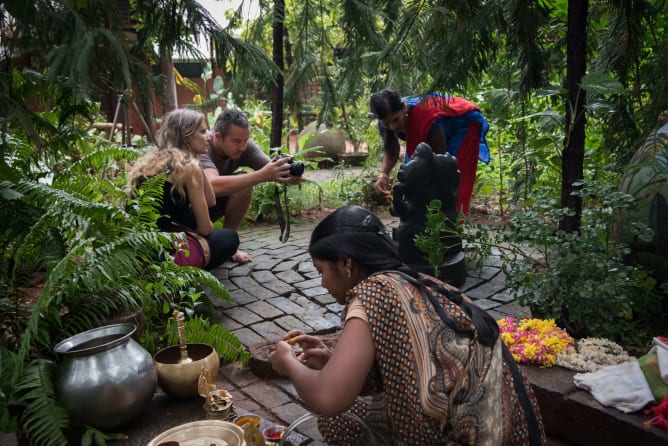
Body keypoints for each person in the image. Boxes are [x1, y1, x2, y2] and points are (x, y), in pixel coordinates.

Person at [268, 205, 545, 445]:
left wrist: (289, 363)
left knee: (337, 418)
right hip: (517, 433)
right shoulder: (410, 283)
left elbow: (329, 398)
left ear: (346, 263)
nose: (322, 283)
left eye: (321, 271)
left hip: (478, 436)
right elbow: (402, 365)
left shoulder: (374, 292)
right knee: (343, 422)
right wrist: (331, 361)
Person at [127, 108, 240, 270]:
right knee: (229, 238)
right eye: (202, 132)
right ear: (187, 136)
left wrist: (196, 157)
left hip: (138, 246)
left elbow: (210, 200)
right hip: (163, 255)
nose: (207, 136)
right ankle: (183, 272)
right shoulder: (188, 167)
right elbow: (205, 228)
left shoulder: (153, 161)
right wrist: (194, 163)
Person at [200, 109, 301, 263]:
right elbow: (212, 186)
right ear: (218, 137)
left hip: (209, 206)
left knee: (244, 183)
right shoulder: (202, 146)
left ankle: (228, 242)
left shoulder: (244, 146)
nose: (242, 147)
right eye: (236, 141)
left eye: (246, 140)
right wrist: (262, 175)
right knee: (246, 180)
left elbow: (269, 168)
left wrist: (287, 173)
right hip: (187, 211)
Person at [370, 89, 490, 215]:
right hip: (432, 133)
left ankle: (451, 226)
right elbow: (392, 149)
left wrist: (410, 185)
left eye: (396, 120)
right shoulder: (385, 120)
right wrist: (383, 175)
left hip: (462, 127)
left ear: (404, 108)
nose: (393, 127)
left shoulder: (425, 116)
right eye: (386, 123)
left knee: (453, 183)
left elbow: (439, 162)